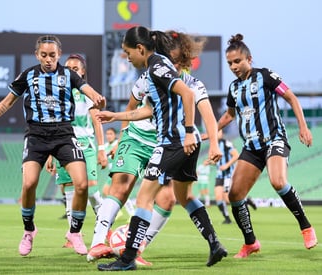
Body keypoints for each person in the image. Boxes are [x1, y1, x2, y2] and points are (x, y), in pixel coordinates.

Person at [95, 26, 227, 271]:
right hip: (188, 142)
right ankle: (215, 244)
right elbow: (148, 109)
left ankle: (127, 259)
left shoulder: (156, 67)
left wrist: (187, 130)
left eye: (127, 52)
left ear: (141, 48)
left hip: (173, 142)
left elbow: (187, 94)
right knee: (184, 196)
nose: (127, 57)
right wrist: (115, 115)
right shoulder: (159, 67)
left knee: (144, 198)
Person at [0, 35, 105, 257]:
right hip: (37, 135)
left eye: (53, 55)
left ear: (59, 55)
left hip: (65, 134)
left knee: (82, 185)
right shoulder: (28, 75)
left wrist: (98, 98)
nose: (48, 59)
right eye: (44, 55)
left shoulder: (69, 75)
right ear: (37, 55)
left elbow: (90, 91)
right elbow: (5, 103)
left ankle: (75, 232)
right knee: (29, 184)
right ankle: (29, 230)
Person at [217, 33, 318, 258]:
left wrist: (303, 127)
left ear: (249, 59)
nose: (233, 66)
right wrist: (212, 132)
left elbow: (291, 97)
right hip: (251, 148)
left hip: (274, 140)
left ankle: (306, 226)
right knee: (234, 195)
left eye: (237, 61)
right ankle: (250, 243)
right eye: (230, 63)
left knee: (277, 180)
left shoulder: (265, 76)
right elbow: (230, 115)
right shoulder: (233, 88)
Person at [45, 53, 108, 253]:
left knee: (90, 189)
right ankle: (75, 234)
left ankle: (104, 229)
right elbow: (51, 125)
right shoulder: (57, 94)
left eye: (75, 68)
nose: (71, 70)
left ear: (82, 72)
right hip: (63, 145)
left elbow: (97, 122)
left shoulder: (86, 93)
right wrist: (49, 154)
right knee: (70, 191)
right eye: (68, 67)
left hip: (86, 146)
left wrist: (101, 149)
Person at [214, 129, 239, 224]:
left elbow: (236, 156)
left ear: (222, 133)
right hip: (219, 175)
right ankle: (227, 218)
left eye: (218, 131)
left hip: (228, 175)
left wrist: (226, 166)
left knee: (227, 200)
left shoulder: (227, 143)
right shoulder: (214, 145)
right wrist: (211, 162)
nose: (217, 134)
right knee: (218, 198)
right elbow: (217, 161)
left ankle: (246, 200)